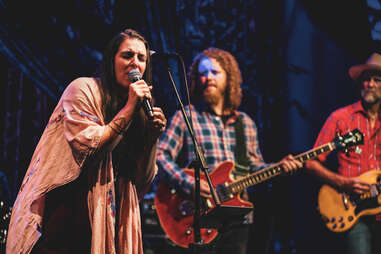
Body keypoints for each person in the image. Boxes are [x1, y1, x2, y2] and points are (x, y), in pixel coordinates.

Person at [6, 28, 167, 254]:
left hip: (113, 219)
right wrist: (130, 108)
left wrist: (151, 138)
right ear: (111, 60)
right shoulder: (83, 89)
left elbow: (141, 180)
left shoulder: (141, 111)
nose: (135, 63)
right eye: (127, 55)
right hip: (69, 213)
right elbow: (89, 148)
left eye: (142, 58)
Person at [156, 47, 302, 254]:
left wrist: (279, 167)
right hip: (198, 217)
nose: (208, 78)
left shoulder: (245, 123)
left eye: (215, 72)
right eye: (203, 73)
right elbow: (160, 156)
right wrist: (191, 185)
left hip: (237, 219)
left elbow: (254, 167)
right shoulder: (186, 117)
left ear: (229, 78)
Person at [305, 52, 381, 254]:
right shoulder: (340, 118)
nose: (370, 84)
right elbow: (311, 162)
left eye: (376, 80)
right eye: (366, 80)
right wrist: (342, 183)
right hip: (350, 209)